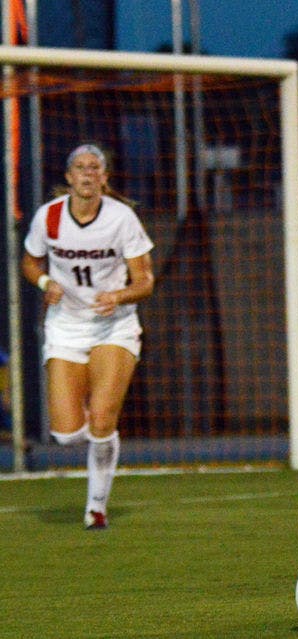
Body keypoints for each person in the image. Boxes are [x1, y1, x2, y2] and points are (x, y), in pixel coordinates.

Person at [22, 143, 155, 530]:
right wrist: (46, 281)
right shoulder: (48, 218)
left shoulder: (121, 218)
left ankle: (96, 507)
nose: (87, 173)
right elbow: (30, 261)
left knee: (101, 418)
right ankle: (97, 443)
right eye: (80, 167)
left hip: (114, 326)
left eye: (94, 167)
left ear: (104, 178)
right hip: (65, 326)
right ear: (68, 177)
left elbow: (144, 280)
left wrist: (119, 295)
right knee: (64, 435)